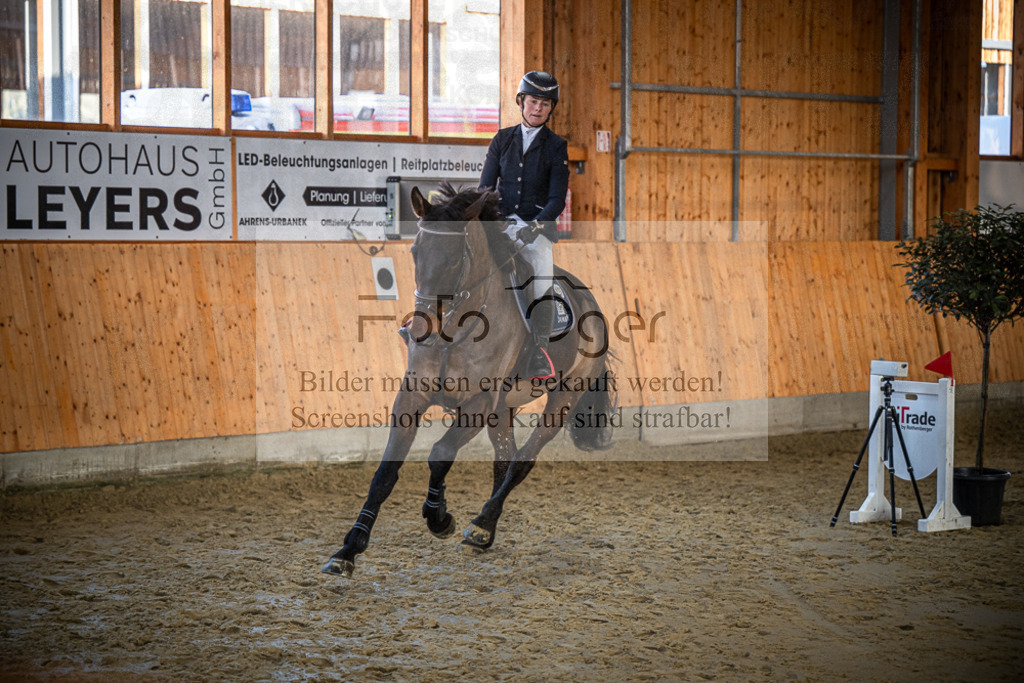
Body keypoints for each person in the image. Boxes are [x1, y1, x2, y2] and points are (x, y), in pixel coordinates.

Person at [479, 70, 570, 382]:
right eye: (533, 102)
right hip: (501, 225)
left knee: (541, 282)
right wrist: (493, 221)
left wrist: (537, 224)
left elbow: (557, 199)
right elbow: (485, 188)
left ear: (551, 108)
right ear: (521, 102)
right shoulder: (502, 139)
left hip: (535, 230)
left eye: (545, 104)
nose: (538, 109)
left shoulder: (556, 146)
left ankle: (539, 350)